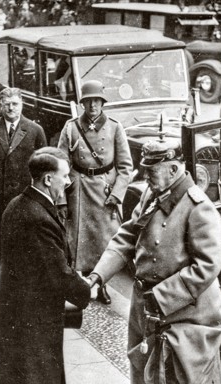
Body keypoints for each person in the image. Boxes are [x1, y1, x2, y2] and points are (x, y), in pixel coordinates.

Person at [88, 139, 221, 384]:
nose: (146, 177)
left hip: (191, 311)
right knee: (158, 369)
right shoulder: (154, 195)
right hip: (151, 306)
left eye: (151, 171)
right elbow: (126, 236)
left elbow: (207, 266)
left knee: (191, 377)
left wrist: (161, 296)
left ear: (174, 169)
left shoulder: (199, 207)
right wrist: (98, 275)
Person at [0, 146, 92, 384]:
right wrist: (86, 289)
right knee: (33, 382)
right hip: (31, 316)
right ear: (48, 179)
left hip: (19, 309)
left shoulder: (21, 204)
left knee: (28, 380)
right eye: (64, 176)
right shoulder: (36, 215)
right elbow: (57, 272)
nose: (69, 181)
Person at [58, 80, 132, 305]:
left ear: (103, 103)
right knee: (78, 240)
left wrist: (117, 194)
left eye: (97, 101)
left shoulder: (115, 127)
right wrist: (63, 195)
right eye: (88, 101)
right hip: (79, 188)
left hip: (104, 190)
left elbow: (126, 168)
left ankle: (102, 284)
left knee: (104, 241)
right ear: (82, 104)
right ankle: (80, 286)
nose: (93, 106)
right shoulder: (71, 128)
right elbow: (61, 162)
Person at [0, 87, 46, 257]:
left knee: (25, 243)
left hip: (24, 196)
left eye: (15, 104)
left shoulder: (35, 130)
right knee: (0, 244)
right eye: (7, 104)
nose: (11, 108)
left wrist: (42, 195)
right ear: (0, 105)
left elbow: (45, 166)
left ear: (22, 104)